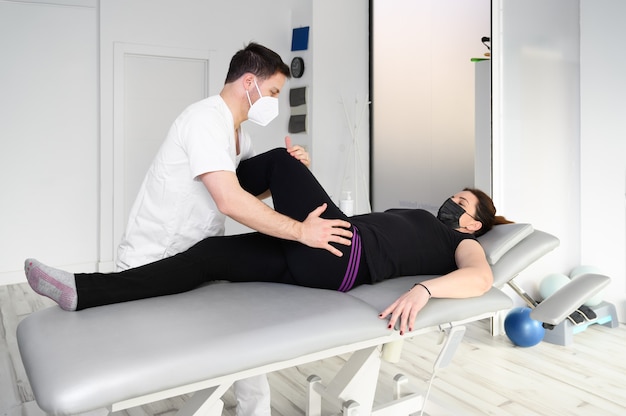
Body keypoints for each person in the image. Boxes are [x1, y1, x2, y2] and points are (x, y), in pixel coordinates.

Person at [25, 148, 514, 337]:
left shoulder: (459, 243)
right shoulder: (422, 218)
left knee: (282, 161)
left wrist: (425, 291)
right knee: (207, 257)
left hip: (343, 254)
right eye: (451, 197)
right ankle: (82, 290)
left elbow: (481, 278)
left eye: (460, 205)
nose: (449, 205)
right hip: (319, 252)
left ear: (472, 224)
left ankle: (215, 181)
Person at [112, 42, 351, 416]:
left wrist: (291, 167)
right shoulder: (204, 120)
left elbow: (250, 189)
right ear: (250, 82)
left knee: (237, 334)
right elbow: (230, 200)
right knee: (161, 356)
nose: (274, 101)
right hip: (156, 254)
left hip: (201, 255)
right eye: (273, 92)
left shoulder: (241, 135)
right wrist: (301, 232)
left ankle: (253, 410)